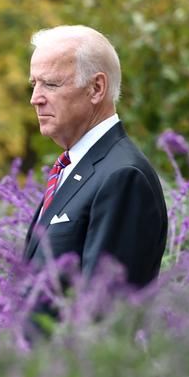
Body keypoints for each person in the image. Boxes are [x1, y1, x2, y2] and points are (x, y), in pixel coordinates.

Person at [23, 25, 167, 288]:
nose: (35, 99)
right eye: (35, 84)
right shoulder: (78, 166)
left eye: (51, 84)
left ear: (96, 88)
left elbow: (103, 311)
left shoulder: (122, 176)